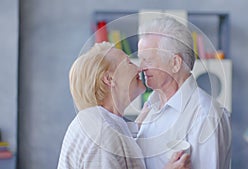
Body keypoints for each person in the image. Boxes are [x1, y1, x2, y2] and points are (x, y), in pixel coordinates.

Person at [57, 42, 191, 169]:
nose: (139, 68)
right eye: (129, 62)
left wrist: (139, 123)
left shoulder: (100, 123)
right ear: (109, 79)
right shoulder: (102, 135)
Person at [136, 16, 232, 169]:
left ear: (175, 63)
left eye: (148, 60)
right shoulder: (150, 108)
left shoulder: (205, 115)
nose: (140, 68)